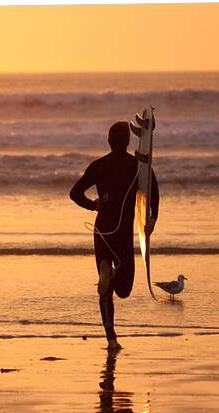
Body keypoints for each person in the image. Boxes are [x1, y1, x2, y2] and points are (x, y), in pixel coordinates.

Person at [70, 121, 159, 351]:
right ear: (128, 142)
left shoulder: (98, 165)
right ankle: (113, 273)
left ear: (108, 141)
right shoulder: (136, 166)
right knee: (124, 289)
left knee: (105, 292)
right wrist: (152, 218)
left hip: (101, 232)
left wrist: (94, 205)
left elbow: (74, 193)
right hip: (121, 233)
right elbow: (154, 191)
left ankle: (111, 339)